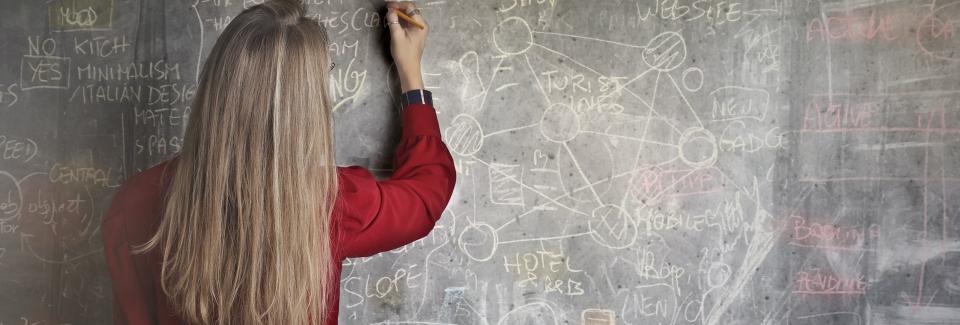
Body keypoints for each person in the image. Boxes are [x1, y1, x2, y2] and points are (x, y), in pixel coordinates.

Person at [101, 0, 455, 324]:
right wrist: (411, 76)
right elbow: (425, 194)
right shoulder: (330, 202)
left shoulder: (135, 202)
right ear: (305, 102)